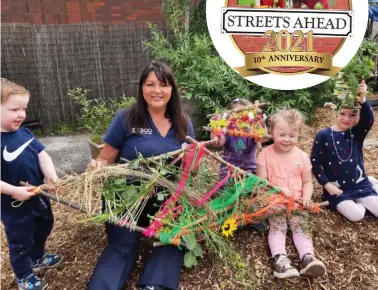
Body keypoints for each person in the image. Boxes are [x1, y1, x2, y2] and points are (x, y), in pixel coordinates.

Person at [87, 61, 195, 290]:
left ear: (172, 90)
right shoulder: (127, 118)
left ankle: (155, 284)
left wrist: (200, 157)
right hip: (126, 195)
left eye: (163, 85)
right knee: (121, 245)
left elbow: (189, 168)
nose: (157, 90)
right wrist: (96, 165)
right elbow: (106, 158)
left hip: (165, 196)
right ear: (141, 87)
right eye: (150, 84)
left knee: (171, 238)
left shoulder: (183, 123)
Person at [1, 78, 63, 290]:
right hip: (14, 206)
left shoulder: (25, 133)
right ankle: (24, 275)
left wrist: (51, 176)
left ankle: (37, 258)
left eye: (24, 109)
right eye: (14, 109)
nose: (21, 114)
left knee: (43, 227)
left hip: (38, 197)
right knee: (20, 241)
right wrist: (14, 191)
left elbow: (42, 154)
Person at [256, 109, 326, 279]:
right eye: (282, 134)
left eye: (292, 135)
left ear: (298, 135)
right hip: (275, 201)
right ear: (271, 132)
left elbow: (307, 182)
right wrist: (276, 190)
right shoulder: (264, 155)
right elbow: (261, 182)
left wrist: (307, 198)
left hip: (297, 203)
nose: (287, 139)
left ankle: (307, 258)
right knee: (278, 227)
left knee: (300, 227)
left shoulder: (302, 157)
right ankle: (280, 260)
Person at [311, 80, 378, 222]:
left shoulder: (356, 133)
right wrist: (327, 185)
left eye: (353, 115)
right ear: (336, 112)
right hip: (338, 188)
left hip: (359, 184)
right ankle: (368, 193)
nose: (347, 118)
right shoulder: (323, 135)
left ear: (358, 116)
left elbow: (369, 120)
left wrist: (363, 98)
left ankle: (371, 186)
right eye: (343, 113)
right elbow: (315, 163)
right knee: (356, 215)